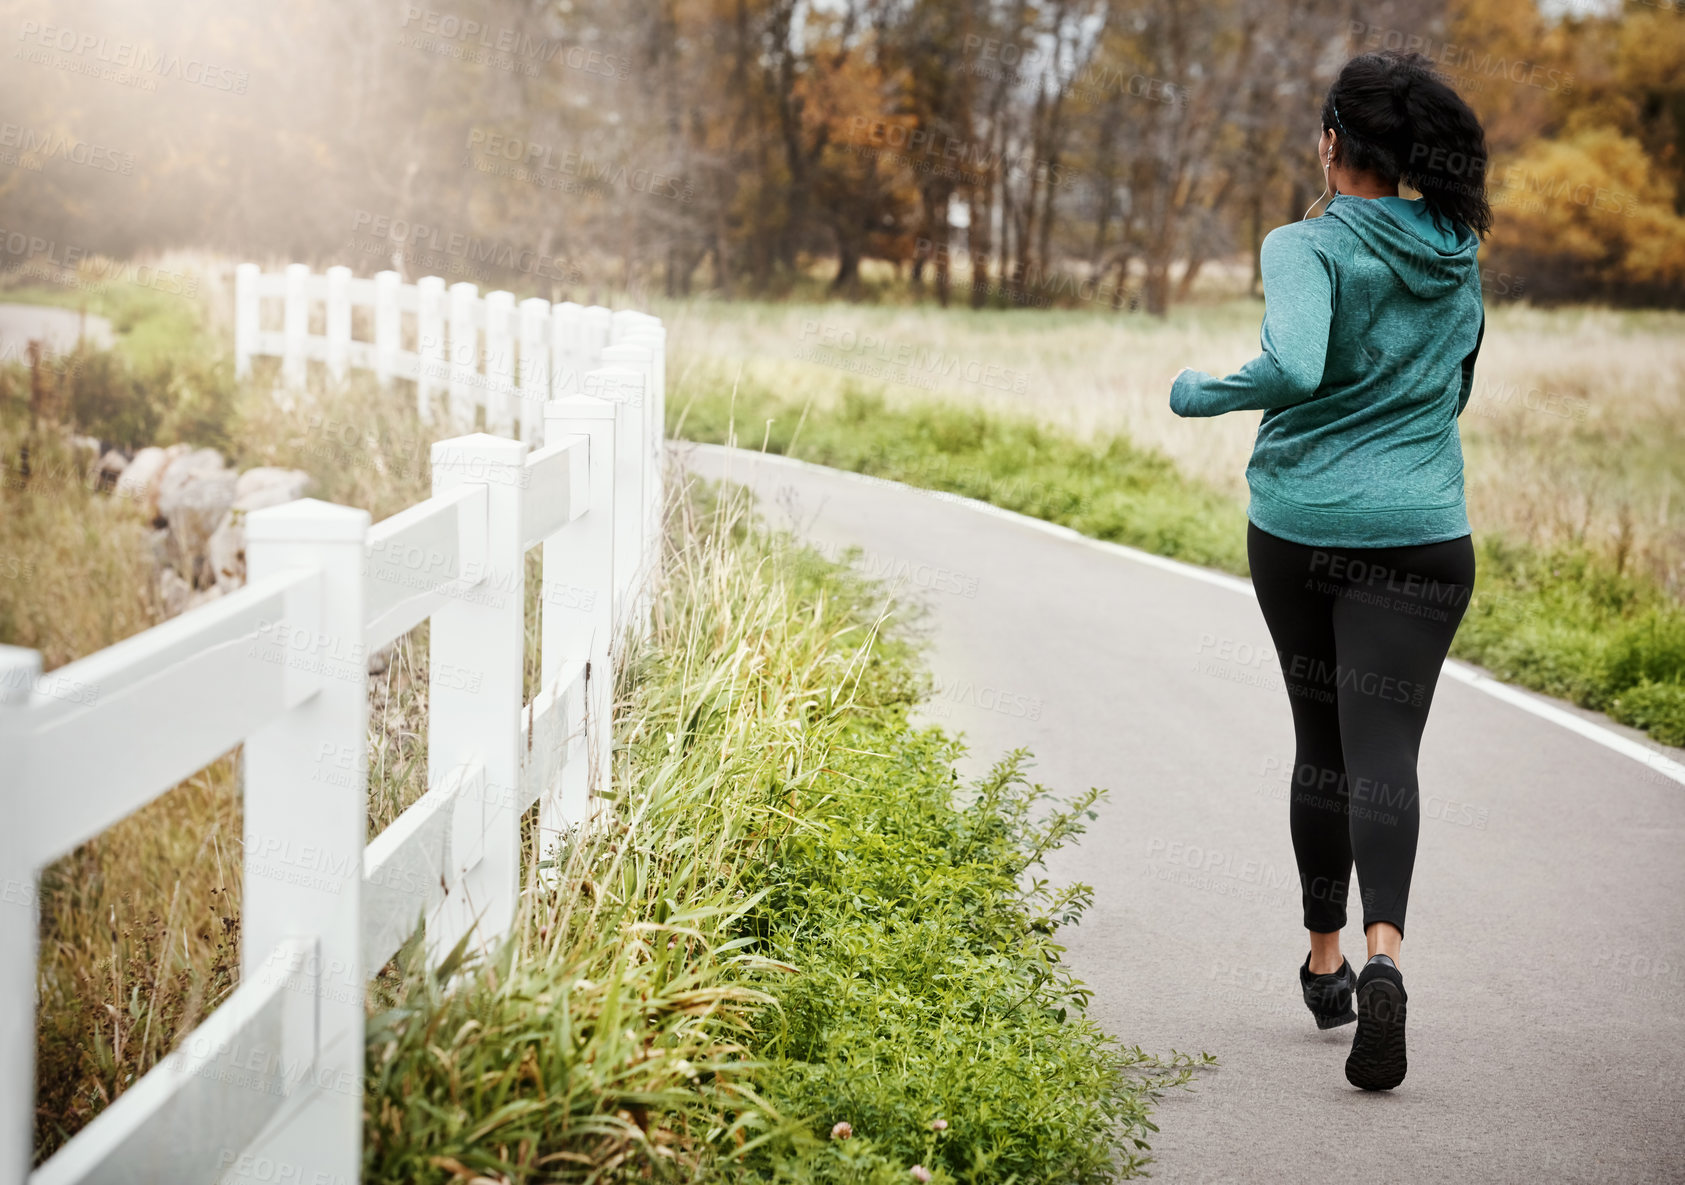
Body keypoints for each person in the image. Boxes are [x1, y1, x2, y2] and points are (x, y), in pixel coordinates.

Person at [1168, 49, 1492, 1091]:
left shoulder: (1303, 246)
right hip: (1426, 532)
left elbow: (1295, 366)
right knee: (1385, 749)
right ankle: (1386, 954)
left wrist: (1197, 392)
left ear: (1327, 143)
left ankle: (1323, 962)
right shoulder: (1453, 248)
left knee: (1321, 745)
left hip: (1304, 526)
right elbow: (1454, 388)